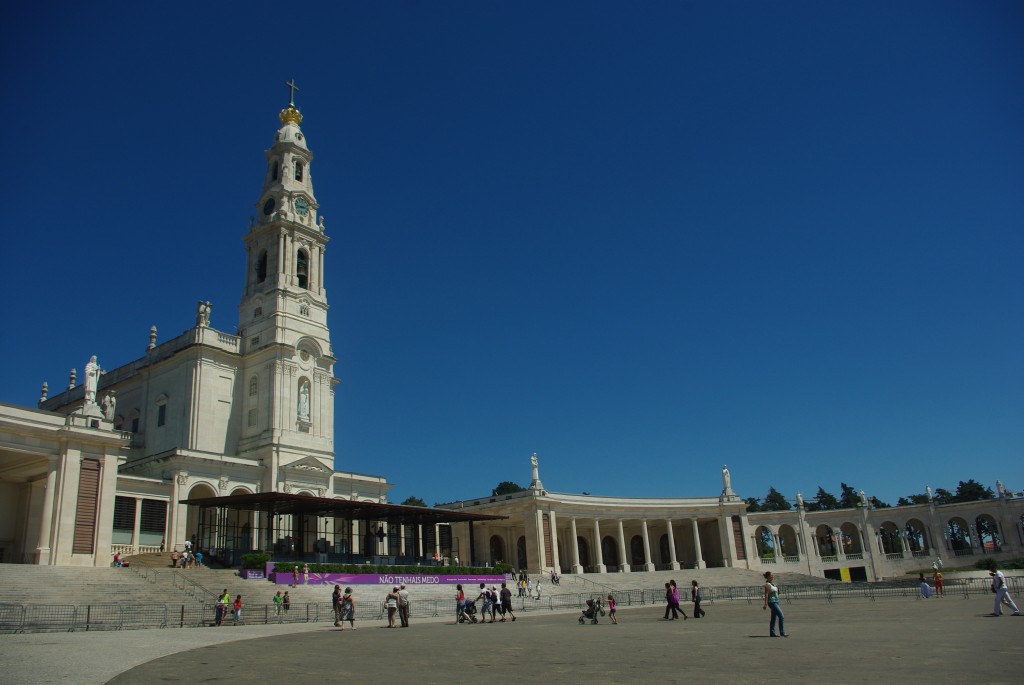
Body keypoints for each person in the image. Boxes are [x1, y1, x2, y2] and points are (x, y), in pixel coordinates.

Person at [763, 571, 787, 637]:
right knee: (781, 616)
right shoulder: (767, 585)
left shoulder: (773, 584)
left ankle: (772, 633)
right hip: (772, 602)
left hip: (776, 601)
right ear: (768, 576)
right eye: (771, 575)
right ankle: (782, 632)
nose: (772, 576)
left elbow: (777, 592)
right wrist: (765, 604)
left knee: (773, 618)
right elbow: (766, 594)